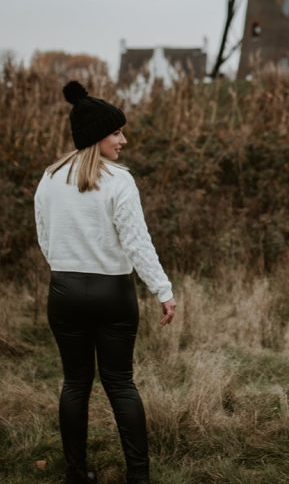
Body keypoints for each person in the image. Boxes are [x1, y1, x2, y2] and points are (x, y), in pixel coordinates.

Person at [34, 81, 176, 484]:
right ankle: (139, 477)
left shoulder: (49, 178)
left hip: (64, 292)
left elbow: (44, 235)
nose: (124, 140)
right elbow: (137, 243)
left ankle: (76, 475)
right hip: (113, 293)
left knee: (75, 383)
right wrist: (162, 291)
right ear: (97, 136)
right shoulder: (118, 181)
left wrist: (64, 266)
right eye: (116, 132)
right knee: (120, 383)